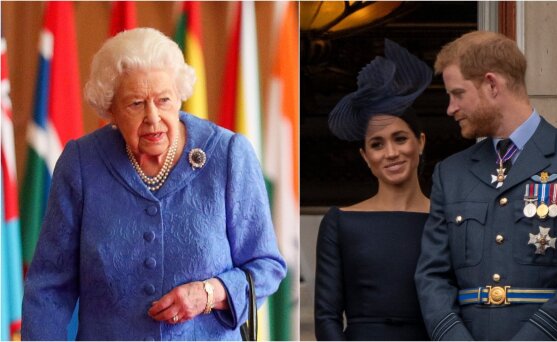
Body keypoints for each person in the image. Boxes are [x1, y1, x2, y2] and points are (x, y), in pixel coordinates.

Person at [21, 27, 287, 341]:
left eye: (163, 100)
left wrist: (209, 293)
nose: (153, 117)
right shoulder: (82, 163)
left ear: (179, 98)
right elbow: (49, 286)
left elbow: (266, 266)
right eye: (135, 104)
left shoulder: (228, 156)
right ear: (111, 110)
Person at [415, 31, 557, 340]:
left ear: (492, 85)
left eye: (458, 93)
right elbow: (432, 276)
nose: (450, 108)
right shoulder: (450, 174)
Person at [314, 39, 432, 341]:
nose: (391, 152)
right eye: (377, 144)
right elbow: (326, 317)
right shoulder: (340, 222)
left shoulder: (447, 219)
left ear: (420, 142)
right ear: (366, 157)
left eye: (400, 138)